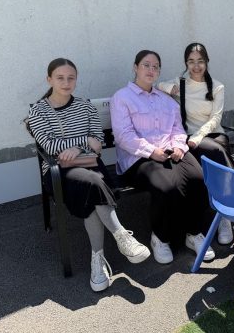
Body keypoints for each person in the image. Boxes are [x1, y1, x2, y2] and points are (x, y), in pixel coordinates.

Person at [27, 58, 151, 293]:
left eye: (71, 78)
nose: (66, 82)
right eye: (60, 78)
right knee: (94, 183)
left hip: (90, 165)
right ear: (49, 79)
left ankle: (98, 259)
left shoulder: (85, 106)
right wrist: (83, 141)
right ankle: (121, 236)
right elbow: (49, 146)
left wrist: (76, 148)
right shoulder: (38, 111)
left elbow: (99, 142)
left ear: (76, 79)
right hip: (59, 172)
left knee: (91, 193)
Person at [110, 50, 215, 265]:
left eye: (155, 67)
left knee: (199, 178)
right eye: (146, 65)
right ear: (135, 67)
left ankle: (193, 232)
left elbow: (178, 129)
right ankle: (161, 237)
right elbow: (123, 136)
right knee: (167, 187)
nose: (151, 70)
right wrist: (151, 151)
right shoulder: (122, 98)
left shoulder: (166, 100)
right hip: (139, 158)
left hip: (170, 151)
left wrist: (178, 147)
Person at [157, 42, 234, 245]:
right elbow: (157, 85)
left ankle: (224, 217)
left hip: (211, 135)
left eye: (200, 61)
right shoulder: (181, 83)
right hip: (188, 137)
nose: (196, 66)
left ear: (207, 62)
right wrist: (168, 87)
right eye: (191, 61)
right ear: (186, 63)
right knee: (216, 155)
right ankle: (229, 203)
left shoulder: (217, 86)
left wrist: (198, 137)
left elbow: (215, 119)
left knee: (217, 148)